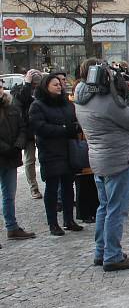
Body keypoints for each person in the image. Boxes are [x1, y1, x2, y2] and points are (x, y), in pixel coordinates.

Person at [74, 62, 129, 271]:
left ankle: (101, 251)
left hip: (99, 159)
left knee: (104, 206)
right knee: (116, 210)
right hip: (118, 160)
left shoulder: (81, 96)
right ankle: (112, 255)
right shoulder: (107, 103)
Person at [29, 73, 82, 236]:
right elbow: (40, 127)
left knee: (68, 187)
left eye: (60, 84)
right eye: (55, 84)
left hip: (67, 150)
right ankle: (53, 223)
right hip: (50, 152)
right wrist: (64, 130)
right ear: (46, 86)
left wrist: (74, 128)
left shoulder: (67, 103)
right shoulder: (38, 105)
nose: (59, 86)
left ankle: (69, 220)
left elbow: (74, 120)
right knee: (52, 189)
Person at [0, 81, 36, 245]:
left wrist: (18, 145)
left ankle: (12, 227)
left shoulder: (11, 106)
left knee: (9, 195)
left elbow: (22, 127)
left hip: (11, 157)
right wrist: (6, 148)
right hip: (5, 154)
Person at [10, 69, 43, 199]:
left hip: (40, 127)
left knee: (47, 156)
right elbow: (20, 101)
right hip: (27, 130)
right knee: (30, 160)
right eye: (33, 83)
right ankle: (33, 188)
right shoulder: (18, 89)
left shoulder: (42, 89)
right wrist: (27, 85)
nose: (35, 86)